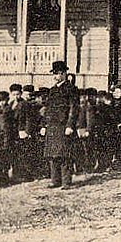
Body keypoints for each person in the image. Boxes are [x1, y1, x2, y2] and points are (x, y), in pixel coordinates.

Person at [42, 61, 79, 189]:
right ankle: (55, 180)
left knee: (64, 155)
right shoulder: (52, 90)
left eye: (57, 74)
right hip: (52, 126)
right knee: (52, 155)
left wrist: (70, 125)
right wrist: (44, 125)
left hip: (63, 126)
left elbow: (73, 109)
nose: (55, 77)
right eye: (54, 74)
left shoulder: (71, 89)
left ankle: (66, 182)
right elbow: (48, 109)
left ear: (63, 74)